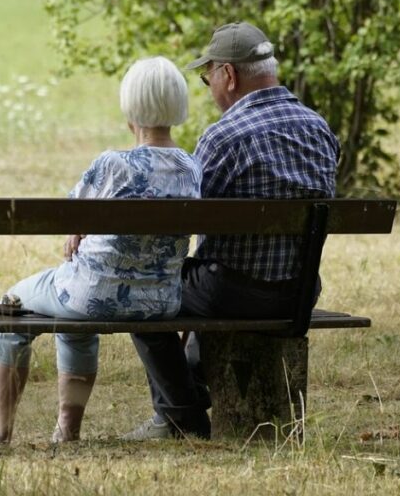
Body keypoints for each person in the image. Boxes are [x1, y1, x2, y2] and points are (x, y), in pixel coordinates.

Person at [123, 22, 340, 440]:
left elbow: (186, 220)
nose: (210, 89)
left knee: (141, 290)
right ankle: (191, 393)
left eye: (208, 79)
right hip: (298, 293)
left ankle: (180, 416)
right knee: (206, 277)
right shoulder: (320, 129)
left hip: (232, 293)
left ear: (229, 75)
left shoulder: (223, 137)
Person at [0, 56, 201, 444]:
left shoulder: (112, 164)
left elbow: (69, 215)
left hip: (92, 294)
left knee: (12, 305)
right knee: (72, 315)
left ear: (130, 106)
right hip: (160, 301)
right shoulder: (191, 167)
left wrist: (77, 230)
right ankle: (66, 431)